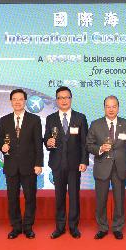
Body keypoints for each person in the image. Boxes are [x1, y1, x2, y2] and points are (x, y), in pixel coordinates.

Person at [44, 86, 88, 239]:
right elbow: (46, 139)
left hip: (74, 164)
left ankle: (73, 227)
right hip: (57, 163)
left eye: (66, 97)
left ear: (71, 99)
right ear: (57, 100)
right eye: (60, 98)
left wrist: (84, 161)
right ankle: (60, 227)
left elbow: (84, 143)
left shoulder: (80, 117)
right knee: (59, 196)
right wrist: (48, 142)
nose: (64, 100)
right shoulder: (51, 118)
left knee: (74, 196)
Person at [0, 89, 43, 239]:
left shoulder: (34, 120)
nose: (17, 102)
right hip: (11, 165)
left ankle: (28, 227)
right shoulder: (4, 120)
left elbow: (38, 144)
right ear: (11, 102)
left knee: (30, 197)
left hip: (29, 165)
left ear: (25, 101)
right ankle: (16, 227)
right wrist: (2, 147)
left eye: (20, 99)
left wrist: (39, 164)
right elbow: (0, 140)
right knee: (12, 198)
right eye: (14, 99)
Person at [86, 95, 126, 240]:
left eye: (114, 106)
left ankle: (118, 227)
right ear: (104, 108)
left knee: (119, 199)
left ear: (118, 108)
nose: (111, 109)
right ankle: (103, 227)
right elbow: (88, 145)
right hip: (102, 166)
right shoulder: (95, 124)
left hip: (120, 167)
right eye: (108, 106)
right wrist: (100, 148)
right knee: (101, 200)